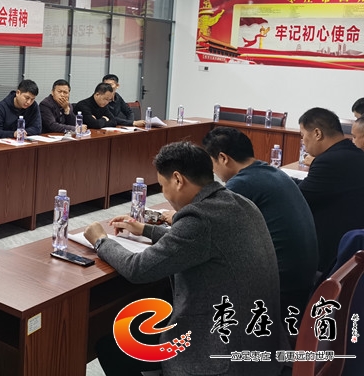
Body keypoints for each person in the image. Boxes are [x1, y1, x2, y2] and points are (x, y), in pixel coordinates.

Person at [85, 142, 285, 376]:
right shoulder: (239, 202)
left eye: (163, 186)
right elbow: (199, 243)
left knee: (113, 347)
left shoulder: (199, 219)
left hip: (222, 357)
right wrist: (146, 230)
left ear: (178, 180)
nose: (164, 193)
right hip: (257, 342)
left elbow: (138, 269)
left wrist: (101, 240)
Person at [202, 127, 318, 319]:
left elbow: (207, 228)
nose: (214, 170)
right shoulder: (272, 172)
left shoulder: (242, 183)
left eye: (212, 163)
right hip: (301, 281)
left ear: (223, 158)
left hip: (279, 289)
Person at [297, 107, 364, 274]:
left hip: (330, 255)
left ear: (317, 134)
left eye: (303, 135)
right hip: (352, 247)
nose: (303, 141)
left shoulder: (328, 161)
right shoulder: (355, 153)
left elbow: (298, 200)